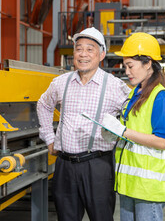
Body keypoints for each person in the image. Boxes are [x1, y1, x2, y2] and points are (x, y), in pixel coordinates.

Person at [37, 27, 130, 221]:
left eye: (90, 49)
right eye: (79, 49)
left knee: (101, 217)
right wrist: (49, 138)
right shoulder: (60, 83)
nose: (83, 54)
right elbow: (43, 104)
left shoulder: (116, 86)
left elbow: (133, 115)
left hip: (98, 165)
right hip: (65, 165)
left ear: (101, 54)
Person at [101, 32, 165, 221]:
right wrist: (114, 133)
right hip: (128, 183)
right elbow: (131, 130)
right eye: (125, 66)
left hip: (147, 189)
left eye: (130, 66)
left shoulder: (159, 97)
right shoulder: (135, 93)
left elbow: (161, 141)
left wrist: (123, 131)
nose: (127, 71)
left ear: (148, 63)